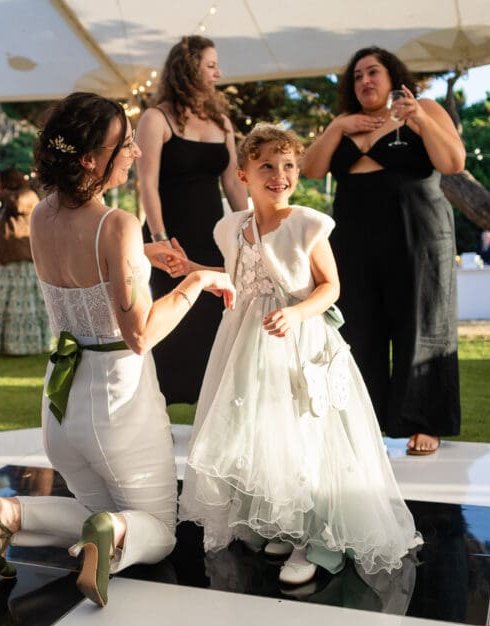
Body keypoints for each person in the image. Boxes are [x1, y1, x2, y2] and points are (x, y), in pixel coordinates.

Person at [0, 92, 235, 607]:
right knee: (160, 530)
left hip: (60, 403)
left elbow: (81, 270)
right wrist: (197, 283)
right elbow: (141, 334)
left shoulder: (42, 215)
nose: (135, 151)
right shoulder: (117, 225)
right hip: (116, 403)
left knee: (91, 507)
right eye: (124, 144)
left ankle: (8, 515)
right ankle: (113, 536)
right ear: (90, 159)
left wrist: (142, 256)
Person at [178, 124, 422, 586]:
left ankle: (316, 537)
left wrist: (298, 315)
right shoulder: (233, 228)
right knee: (267, 435)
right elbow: (241, 277)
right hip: (246, 345)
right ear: (243, 174)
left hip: (298, 342)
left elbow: (330, 286)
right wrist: (191, 269)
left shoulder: (305, 224)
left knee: (305, 435)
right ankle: (286, 524)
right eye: (266, 165)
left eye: (288, 165)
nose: (279, 174)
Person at [302, 46, 465, 457]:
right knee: (357, 331)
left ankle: (424, 420)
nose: (364, 81)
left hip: (418, 236)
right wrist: (338, 125)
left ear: (393, 77)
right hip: (354, 239)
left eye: (373, 72)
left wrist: (421, 119)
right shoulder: (344, 124)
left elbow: (453, 161)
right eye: (356, 76)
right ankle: (362, 420)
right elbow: (311, 169)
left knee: (420, 325)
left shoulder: (422, 107)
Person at [136, 35, 248, 405]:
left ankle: (213, 411)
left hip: (212, 239)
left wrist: (252, 228)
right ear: (188, 70)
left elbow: (232, 182)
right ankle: (157, 412)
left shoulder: (222, 122)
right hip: (169, 240)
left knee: (214, 327)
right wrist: (161, 238)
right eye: (211, 65)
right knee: (169, 329)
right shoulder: (156, 118)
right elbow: (147, 184)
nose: (219, 72)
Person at [0, 167, 50, 355]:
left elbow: (16, 205)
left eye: (0, 182)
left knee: (21, 303)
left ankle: (24, 346)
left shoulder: (27, 195)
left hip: (19, 261)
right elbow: (1, 223)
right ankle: (5, 345)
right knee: (3, 304)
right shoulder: (9, 198)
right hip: (4, 260)